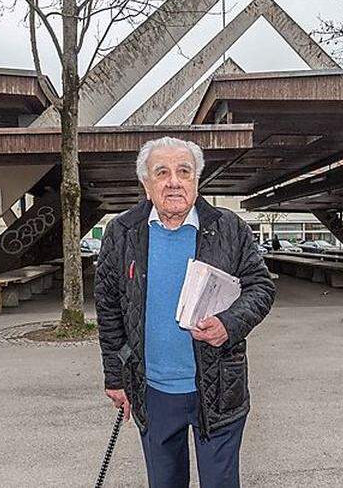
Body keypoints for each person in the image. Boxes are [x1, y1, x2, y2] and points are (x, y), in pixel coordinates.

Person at [95, 136, 276, 487]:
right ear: (146, 184)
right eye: (162, 172)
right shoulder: (123, 232)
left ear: (196, 180)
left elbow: (261, 286)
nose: (173, 181)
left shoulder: (228, 227)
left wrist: (229, 323)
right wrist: (115, 378)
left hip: (218, 387)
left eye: (184, 171)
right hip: (153, 390)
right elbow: (109, 307)